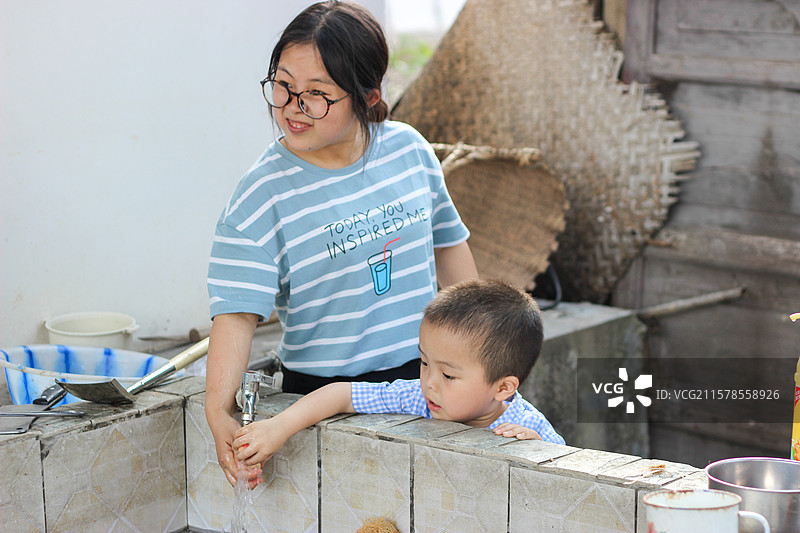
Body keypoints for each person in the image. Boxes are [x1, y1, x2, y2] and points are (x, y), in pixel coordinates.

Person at [205, 1, 478, 488]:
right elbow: (235, 314)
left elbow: (451, 251)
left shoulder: (410, 152)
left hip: (423, 381)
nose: (293, 106)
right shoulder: (260, 195)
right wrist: (217, 409)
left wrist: (481, 360)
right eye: (283, 86)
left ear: (367, 96)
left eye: (317, 94)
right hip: (319, 398)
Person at [232, 280, 565, 476]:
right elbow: (341, 394)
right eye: (423, 362)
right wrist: (278, 427)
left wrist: (535, 451)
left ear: (503, 387)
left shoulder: (527, 426)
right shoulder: (416, 397)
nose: (430, 382)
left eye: (448, 375)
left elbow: (571, 476)